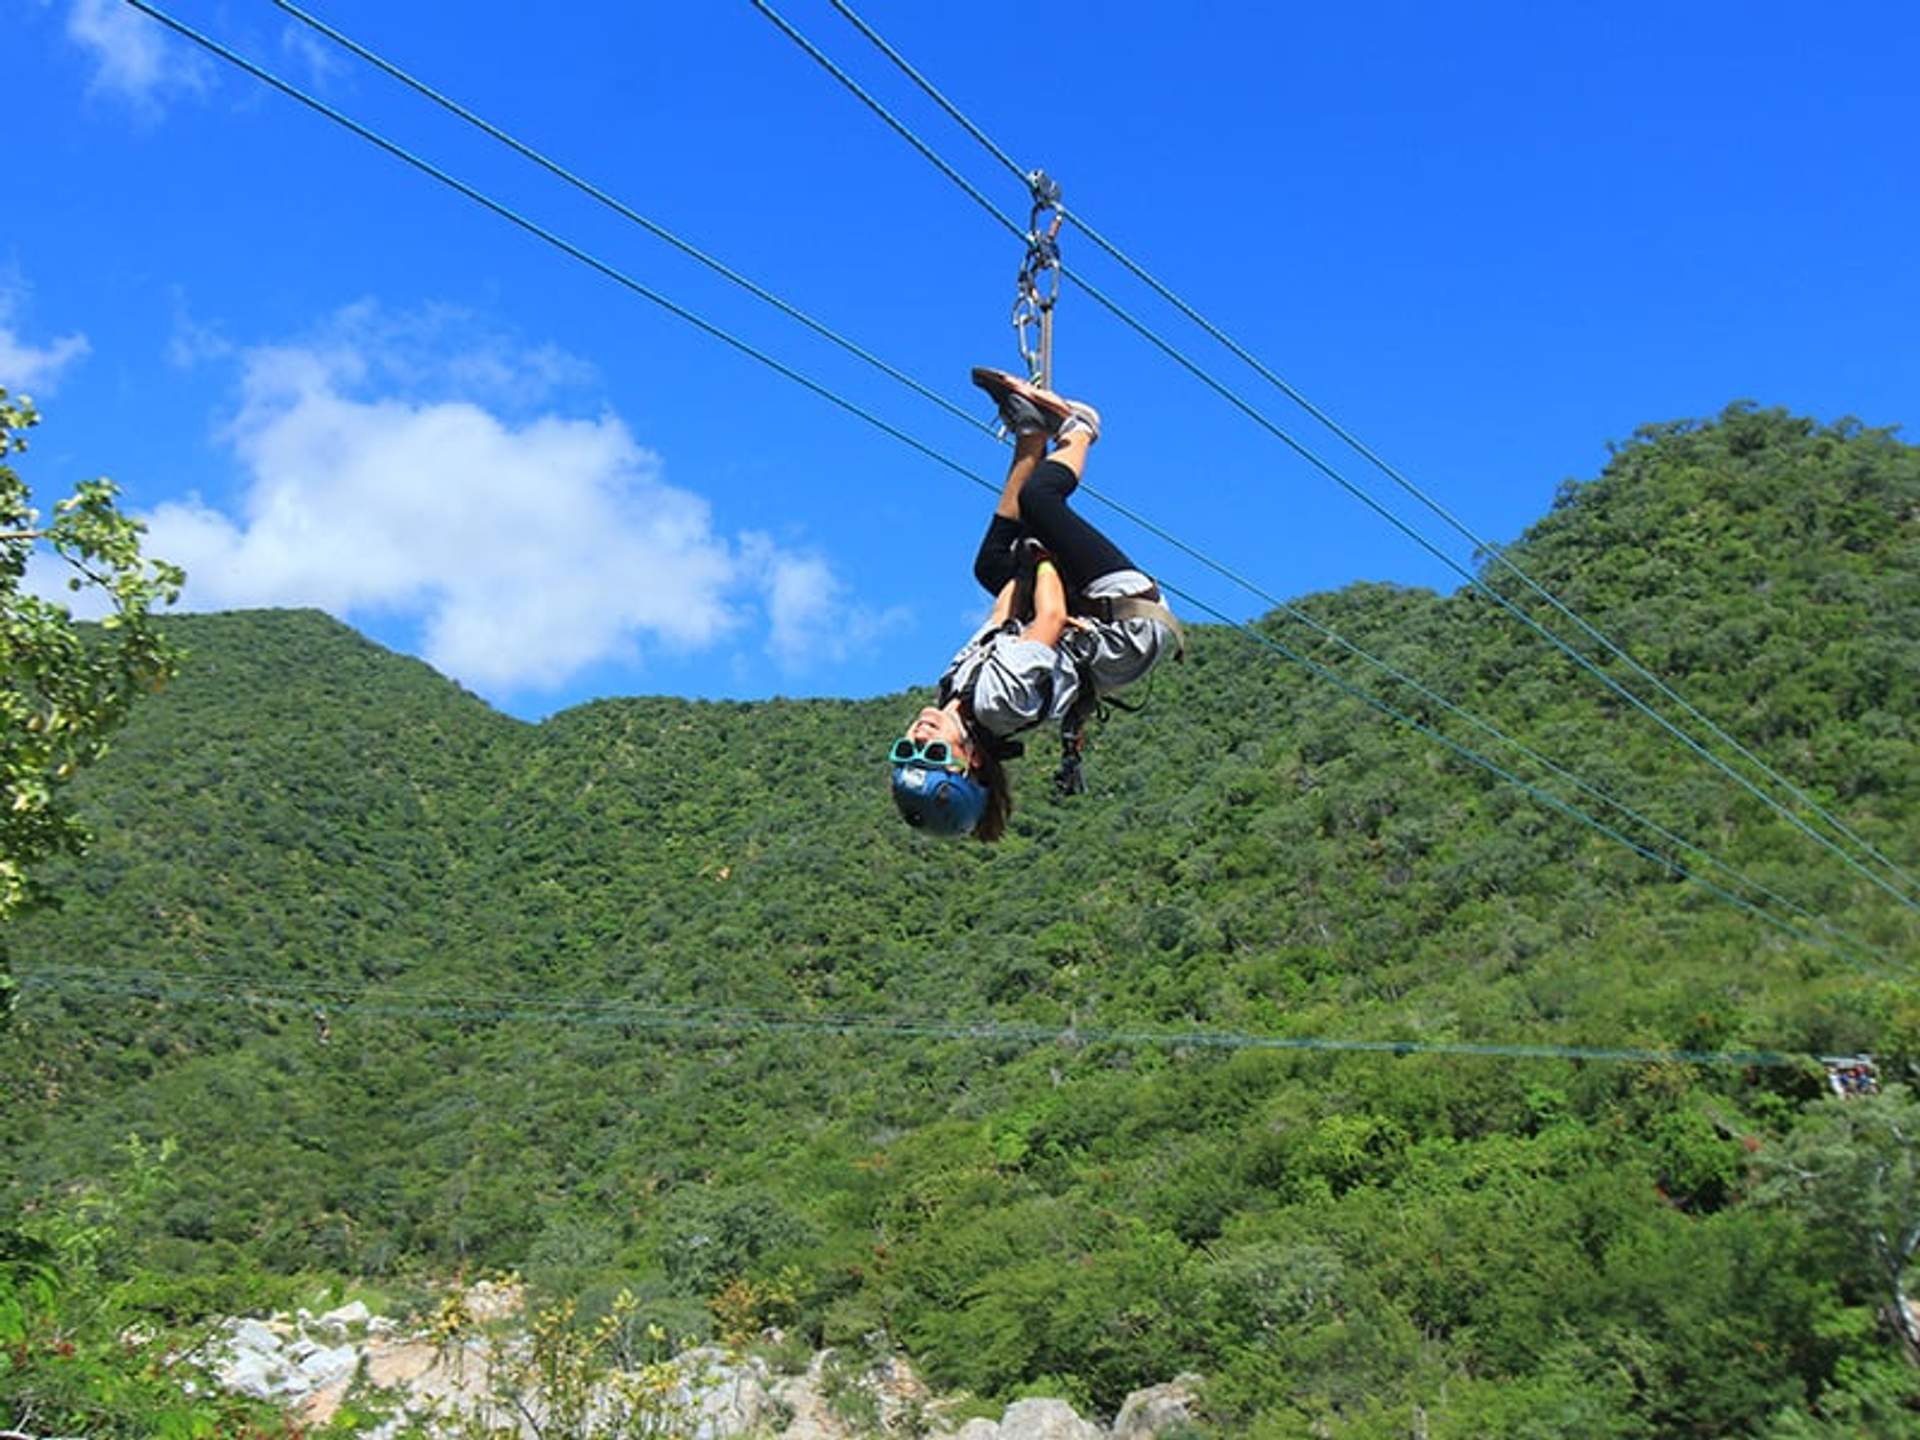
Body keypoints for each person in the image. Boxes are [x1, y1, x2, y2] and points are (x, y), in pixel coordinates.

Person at [889, 368, 1182, 841]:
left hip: (1080, 623)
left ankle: (1031, 437)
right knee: (1040, 501)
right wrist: (1039, 553)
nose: (919, 737)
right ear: (974, 759)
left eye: (907, 749)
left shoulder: (956, 690)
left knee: (989, 566)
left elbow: (1002, 618)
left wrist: (1018, 566)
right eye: (935, 754)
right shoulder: (997, 707)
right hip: (1126, 630)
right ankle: (1080, 428)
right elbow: (1047, 617)